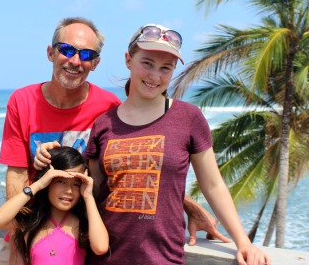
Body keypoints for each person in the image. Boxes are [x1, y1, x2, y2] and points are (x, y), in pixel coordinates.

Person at [0, 17, 229, 262]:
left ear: (96, 63)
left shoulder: (108, 108)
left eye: (86, 55)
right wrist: (19, 237)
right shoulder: (22, 101)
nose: (75, 61)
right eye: (66, 50)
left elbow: (129, 169)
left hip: (81, 238)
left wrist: (188, 206)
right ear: (50, 53)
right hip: (33, 234)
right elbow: (16, 173)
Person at [38, 23, 271, 265]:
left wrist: (243, 242)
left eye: (165, 68)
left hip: (163, 259)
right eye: (147, 63)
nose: (154, 76)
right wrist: (53, 158)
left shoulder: (189, 118)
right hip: (103, 258)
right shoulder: (104, 123)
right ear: (129, 60)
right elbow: (91, 191)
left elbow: (213, 185)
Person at [0, 146, 109, 265]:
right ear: (48, 181)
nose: (69, 190)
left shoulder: (82, 223)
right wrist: (38, 185)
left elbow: (100, 247)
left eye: (76, 184)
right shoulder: (31, 222)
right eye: (61, 181)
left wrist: (88, 196)